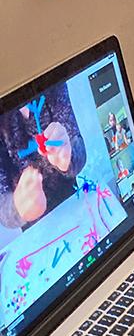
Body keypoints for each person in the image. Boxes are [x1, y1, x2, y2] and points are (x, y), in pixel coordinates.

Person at [0, 84, 87, 230]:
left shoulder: (52, 86)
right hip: (36, 229)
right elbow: (3, 207)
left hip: (73, 203)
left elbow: (79, 153)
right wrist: (18, 207)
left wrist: (68, 158)